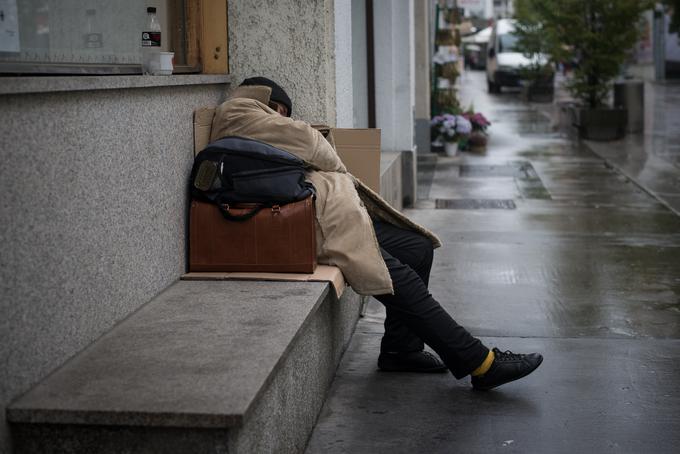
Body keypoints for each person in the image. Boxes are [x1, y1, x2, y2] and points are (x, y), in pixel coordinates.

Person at [210, 76, 542, 390]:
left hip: (321, 220)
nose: (282, 117)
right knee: (395, 274)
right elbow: (314, 145)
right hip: (303, 227)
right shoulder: (237, 111)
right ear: (265, 97)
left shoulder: (254, 122)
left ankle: (402, 350)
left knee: (417, 247)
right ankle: (480, 363)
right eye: (281, 110)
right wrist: (319, 147)